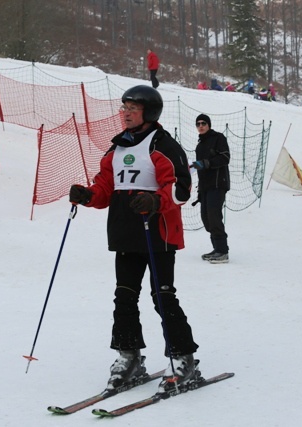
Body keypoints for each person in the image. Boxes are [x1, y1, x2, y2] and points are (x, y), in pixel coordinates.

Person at [69, 85, 199, 394]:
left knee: (162, 296)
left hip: (158, 233)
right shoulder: (116, 149)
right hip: (126, 232)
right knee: (124, 297)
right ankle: (129, 357)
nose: (125, 113)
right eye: (123, 107)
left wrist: (156, 202)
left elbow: (181, 189)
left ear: (149, 113)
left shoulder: (163, 145)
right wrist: (87, 195)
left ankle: (184, 360)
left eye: (133, 108)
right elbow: (105, 187)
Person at [192, 114, 230, 264]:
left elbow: (225, 157)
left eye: (203, 123)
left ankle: (222, 251)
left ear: (209, 125)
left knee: (214, 216)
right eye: (198, 124)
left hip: (218, 183)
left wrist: (207, 163)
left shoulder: (218, 138)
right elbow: (201, 168)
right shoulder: (200, 144)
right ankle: (216, 248)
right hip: (205, 186)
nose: (201, 126)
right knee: (206, 218)